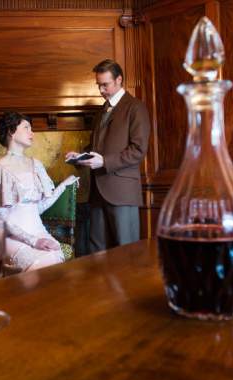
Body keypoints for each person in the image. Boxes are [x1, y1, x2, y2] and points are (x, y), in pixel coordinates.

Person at [0, 111, 79, 272]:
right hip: (11, 237)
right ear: (11, 131)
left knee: (55, 258)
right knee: (40, 264)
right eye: (26, 128)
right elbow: (1, 218)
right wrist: (33, 241)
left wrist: (63, 186)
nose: (32, 133)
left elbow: (37, 208)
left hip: (39, 231)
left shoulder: (36, 165)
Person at [66, 59, 150, 252]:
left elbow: (138, 150)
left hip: (122, 192)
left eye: (105, 84)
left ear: (119, 80)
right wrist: (79, 156)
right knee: (98, 252)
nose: (101, 90)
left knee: (127, 252)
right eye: (99, 85)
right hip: (97, 193)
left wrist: (104, 161)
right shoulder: (102, 110)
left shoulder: (135, 107)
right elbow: (97, 146)